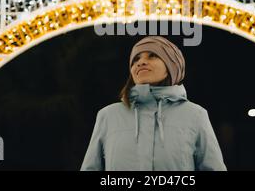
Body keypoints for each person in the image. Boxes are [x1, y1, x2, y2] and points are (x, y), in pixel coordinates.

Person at [80, 36, 227, 171]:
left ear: (172, 65)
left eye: (153, 55)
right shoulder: (108, 115)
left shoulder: (195, 115)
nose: (141, 62)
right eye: (135, 59)